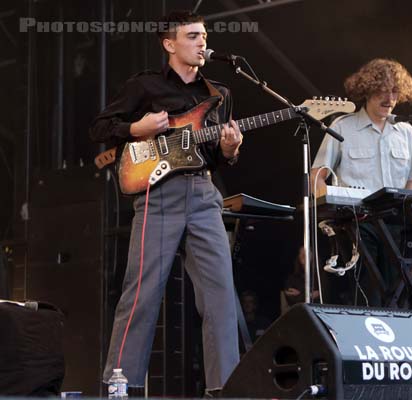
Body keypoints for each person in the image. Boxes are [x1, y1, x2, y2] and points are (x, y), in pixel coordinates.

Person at [89, 11, 242, 396]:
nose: (202, 42)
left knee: (221, 295)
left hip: (205, 195)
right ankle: (120, 385)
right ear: (170, 44)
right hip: (159, 195)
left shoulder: (218, 91)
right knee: (142, 292)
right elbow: (99, 127)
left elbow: (217, 155)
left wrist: (230, 149)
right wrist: (135, 129)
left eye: (204, 36)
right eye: (192, 36)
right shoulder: (146, 85)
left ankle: (224, 388)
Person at [310, 58, 412, 306]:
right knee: (369, 293)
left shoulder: (406, 131)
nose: (389, 98)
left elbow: (411, 182)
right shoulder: (342, 126)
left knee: (398, 296)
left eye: (395, 91)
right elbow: (317, 175)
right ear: (367, 91)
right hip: (358, 223)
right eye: (382, 91)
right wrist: (327, 210)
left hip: (396, 223)